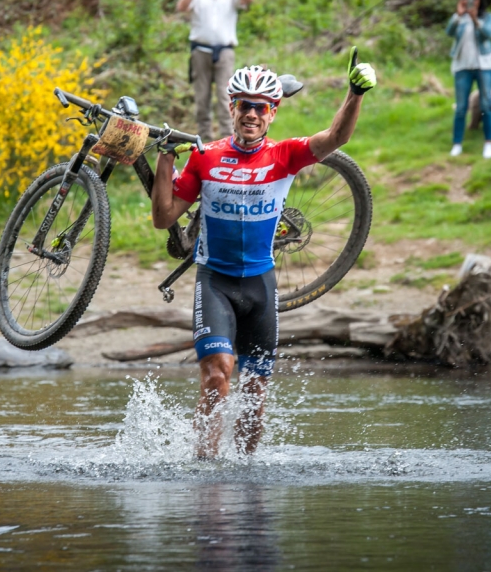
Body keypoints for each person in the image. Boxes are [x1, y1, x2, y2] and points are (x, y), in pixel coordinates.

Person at [151, 50, 377, 458]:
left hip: (261, 285)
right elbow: (163, 215)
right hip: (215, 282)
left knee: (255, 393)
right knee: (217, 376)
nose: (251, 114)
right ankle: (206, 471)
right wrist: (166, 160)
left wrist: (355, 93)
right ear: (232, 109)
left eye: (260, 108)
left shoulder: (285, 155)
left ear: (272, 113)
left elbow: (336, 138)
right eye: (243, 106)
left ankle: (247, 477)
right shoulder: (206, 157)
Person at [176, 0, 255, 144]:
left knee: (225, 95)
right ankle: (205, 140)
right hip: (200, 51)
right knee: (201, 97)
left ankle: (228, 138)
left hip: (225, 52)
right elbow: (181, 7)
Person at [446, 0, 491, 159]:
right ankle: (457, 143)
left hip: (484, 66)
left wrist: (476, 20)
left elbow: (488, 34)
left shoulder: (487, 17)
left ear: (480, 0)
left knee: (486, 105)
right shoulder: (459, 18)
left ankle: (488, 143)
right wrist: (458, 15)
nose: (472, 1)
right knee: (461, 107)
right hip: (462, 67)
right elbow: (449, 32)